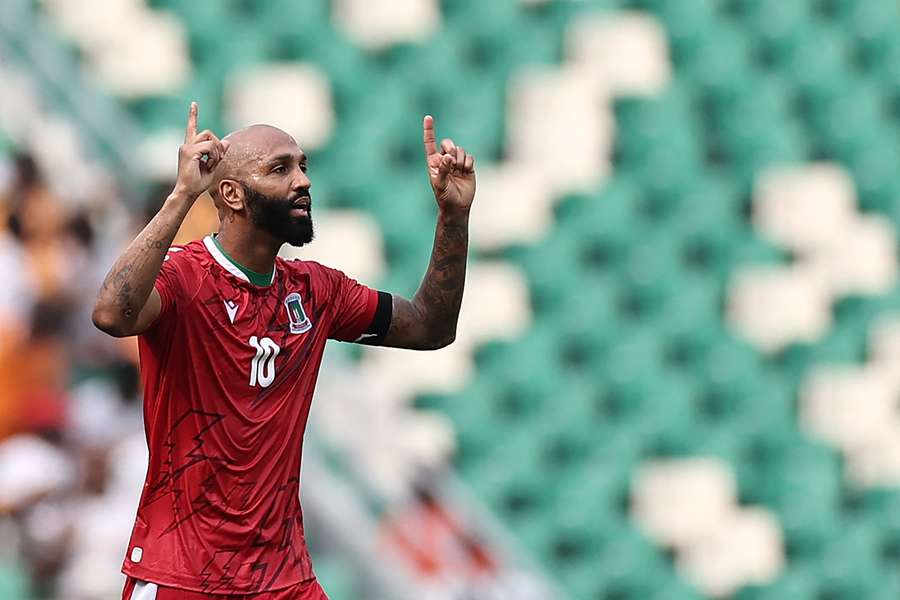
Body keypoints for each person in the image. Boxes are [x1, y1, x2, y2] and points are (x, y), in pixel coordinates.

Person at [91, 102, 476, 599]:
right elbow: (111, 313)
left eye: (303, 166)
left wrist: (453, 216)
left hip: (281, 579)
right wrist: (185, 192)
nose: (303, 181)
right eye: (280, 169)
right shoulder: (184, 278)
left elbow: (431, 327)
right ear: (231, 194)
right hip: (181, 574)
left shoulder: (317, 291)